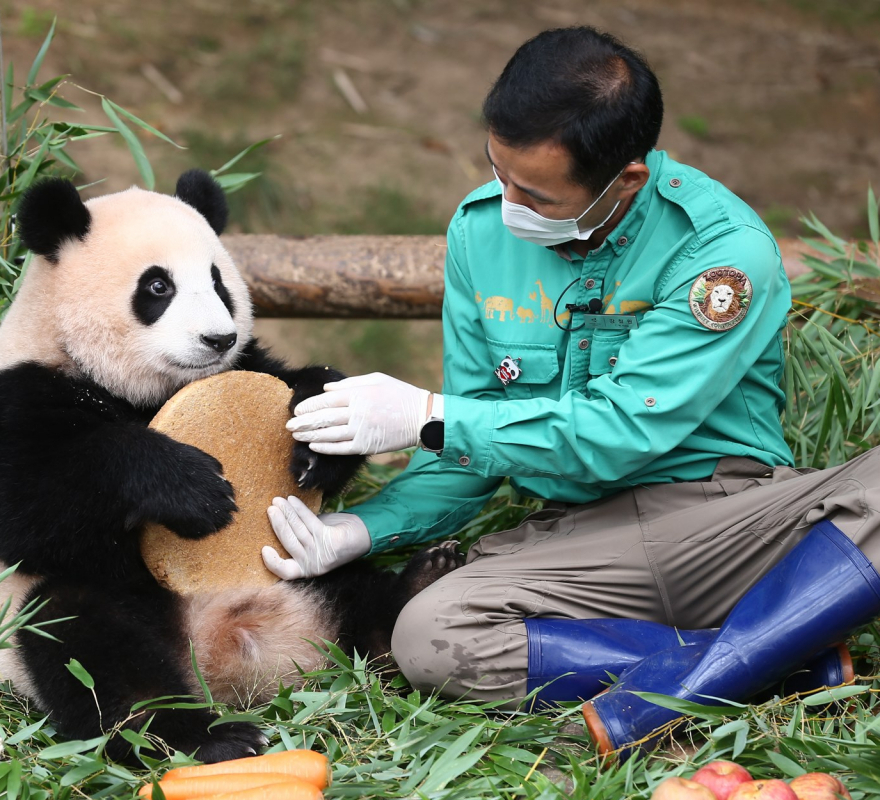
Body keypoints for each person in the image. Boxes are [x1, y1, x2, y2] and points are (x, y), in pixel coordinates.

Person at [259, 26, 880, 758]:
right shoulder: (481, 233)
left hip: (727, 525)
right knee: (428, 635)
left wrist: (429, 417)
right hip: (582, 543)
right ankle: (774, 656)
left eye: (537, 194)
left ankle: (686, 686)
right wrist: (363, 530)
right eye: (498, 172)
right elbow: (469, 449)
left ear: (627, 180)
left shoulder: (720, 253)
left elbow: (614, 435)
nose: (507, 202)